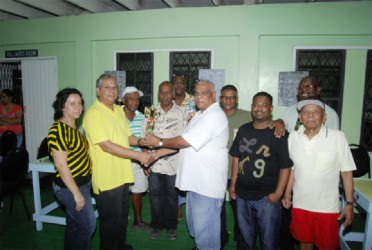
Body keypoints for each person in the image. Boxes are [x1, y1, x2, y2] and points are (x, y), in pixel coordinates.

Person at [143, 80, 229, 250]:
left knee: (205, 231)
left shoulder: (209, 115)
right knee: (197, 228)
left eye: (204, 93)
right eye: (196, 93)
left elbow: (182, 141)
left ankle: (177, 230)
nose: (199, 96)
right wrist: (153, 155)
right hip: (192, 182)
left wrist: (159, 142)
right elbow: (184, 144)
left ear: (214, 96)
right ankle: (160, 226)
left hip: (205, 186)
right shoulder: (199, 115)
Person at [83, 74, 155, 250]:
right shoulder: (93, 114)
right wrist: (138, 156)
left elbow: (126, 137)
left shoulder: (117, 110)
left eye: (114, 87)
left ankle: (120, 246)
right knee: (110, 223)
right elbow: (107, 146)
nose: (111, 91)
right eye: (107, 87)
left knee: (122, 218)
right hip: (107, 179)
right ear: (98, 90)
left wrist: (141, 142)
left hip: (123, 175)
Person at [282, 98, 356, 249]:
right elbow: (292, 169)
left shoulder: (338, 137)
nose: (310, 115)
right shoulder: (293, 138)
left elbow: (346, 172)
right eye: (306, 112)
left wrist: (349, 203)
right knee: (304, 242)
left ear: (324, 117)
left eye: (316, 112)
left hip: (327, 208)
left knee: (327, 245)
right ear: (300, 117)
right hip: (300, 204)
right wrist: (287, 193)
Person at [219, 85, 285, 249]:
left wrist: (278, 193)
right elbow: (236, 157)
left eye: (264, 105)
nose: (259, 109)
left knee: (268, 240)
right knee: (243, 233)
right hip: (237, 188)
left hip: (266, 195)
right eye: (256, 105)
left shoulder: (274, 131)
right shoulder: (239, 127)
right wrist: (234, 184)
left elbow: (286, 166)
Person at [280, 76, 340, 249]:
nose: (303, 89)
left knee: (323, 236)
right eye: (300, 86)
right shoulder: (290, 111)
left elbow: (333, 148)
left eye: (308, 86)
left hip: (320, 184)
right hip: (295, 174)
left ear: (318, 89)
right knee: (298, 228)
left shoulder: (330, 114)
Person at [47, 88, 96, 249]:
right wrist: (76, 193)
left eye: (80, 103)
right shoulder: (58, 129)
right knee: (88, 225)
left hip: (82, 184)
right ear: (62, 107)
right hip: (71, 187)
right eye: (72, 104)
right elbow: (61, 165)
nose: (78, 107)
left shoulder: (73, 128)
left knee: (74, 225)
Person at [144, 81, 186, 240]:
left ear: (173, 94)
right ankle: (156, 225)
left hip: (173, 164)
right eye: (162, 92)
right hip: (154, 165)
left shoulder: (181, 113)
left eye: (168, 92)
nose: (165, 95)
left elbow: (182, 141)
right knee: (155, 197)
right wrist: (145, 159)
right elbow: (145, 137)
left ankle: (171, 226)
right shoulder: (151, 111)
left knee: (171, 197)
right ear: (158, 94)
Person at [121, 86, 151, 231]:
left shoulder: (142, 117)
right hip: (120, 160)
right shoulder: (116, 116)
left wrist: (145, 161)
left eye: (137, 98)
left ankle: (138, 221)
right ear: (123, 100)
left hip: (137, 161)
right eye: (131, 98)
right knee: (120, 193)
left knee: (137, 191)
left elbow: (144, 140)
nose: (134, 101)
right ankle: (120, 219)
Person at [171, 74, 196, 221]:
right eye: (176, 82)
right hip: (170, 145)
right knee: (174, 178)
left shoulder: (193, 101)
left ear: (185, 85)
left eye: (181, 83)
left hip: (188, 146)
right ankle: (177, 207)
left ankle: (190, 208)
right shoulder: (168, 100)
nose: (178, 85)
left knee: (187, 178)